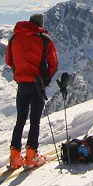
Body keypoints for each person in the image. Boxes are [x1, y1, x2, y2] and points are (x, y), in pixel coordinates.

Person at [5, 13, 59, 169]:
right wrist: (46, 79)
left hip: (21, 84)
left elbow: (9, 60)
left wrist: (21, 70)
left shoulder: (14, 38)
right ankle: (32, 156)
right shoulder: (44, 39)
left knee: (20, 119)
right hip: (37, 84)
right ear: (40, 24)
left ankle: (15, 157)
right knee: (35, 120)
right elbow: (53, 62)